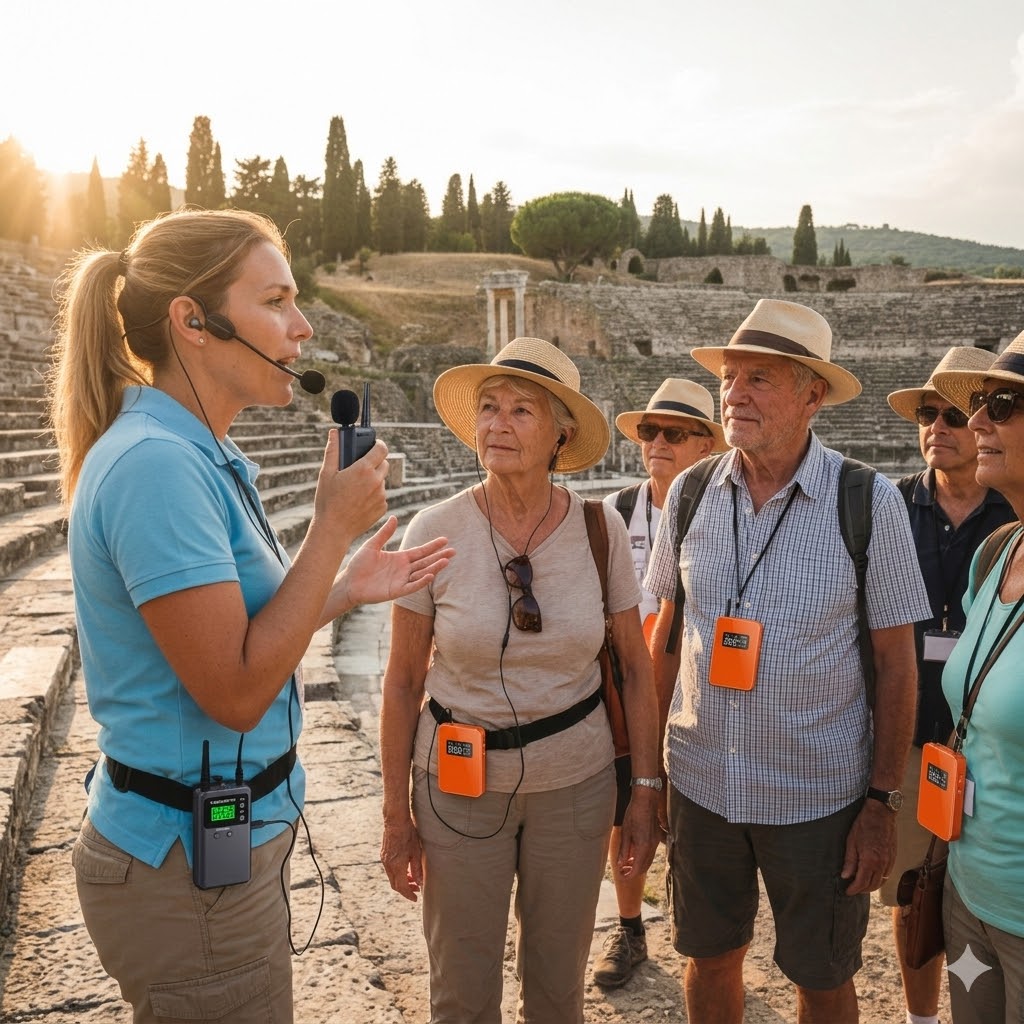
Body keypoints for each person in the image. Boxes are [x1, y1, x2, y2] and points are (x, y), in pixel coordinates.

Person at [48, 207, 453, 1024]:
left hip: (210, 853)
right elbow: (232, 692)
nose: (301, 328)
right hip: (185, 872)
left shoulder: (192, 451)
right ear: (192, 321)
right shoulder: (158, 467)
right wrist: (332, 526)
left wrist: (340, 587)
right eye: (276, 301)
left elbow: (239, 631)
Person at [644, 298, 931, 1024]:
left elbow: (898, 665)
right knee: (707, 959)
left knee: (823, 975)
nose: (735, 392)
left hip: (820, 799)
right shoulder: (690, 492)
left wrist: (880, 804)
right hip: (702, 784)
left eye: (760, 379)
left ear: (813, 394)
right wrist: (645, 781)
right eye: (730, 375)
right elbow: (664, 640)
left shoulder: (868, 502)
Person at [378, 336, 661, 1023]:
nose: (498, 424)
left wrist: (646, 792)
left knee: (557, 989)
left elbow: (633, 665)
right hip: (457, 788)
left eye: (522, 411)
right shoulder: (434, 529)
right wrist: (394, 815)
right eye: (489, 408)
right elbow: (402, 679)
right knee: (461, 989)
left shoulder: (600, 530)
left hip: (576, 787)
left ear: (562, 432)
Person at [882, 346, 1013, 1024]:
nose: (938, 425)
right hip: (911, 736)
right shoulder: (888, 506)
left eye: (955, 413)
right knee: (915, 889)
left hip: (987, 749)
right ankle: (921, 1018)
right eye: (927, 414)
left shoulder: (1007, 522)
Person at [592, 377, 726, 988]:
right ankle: (628, 926)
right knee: (627, 811)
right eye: (650, 431)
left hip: (703, 688)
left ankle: (711, 939)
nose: (657, 443)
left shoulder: (724, 510)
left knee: (696, 820)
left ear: (706, 445)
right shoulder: (617, 513)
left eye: (675, 433)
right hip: (628, 692)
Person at [930, 331, 1024, 1023]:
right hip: (968, 892)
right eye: (982, 402)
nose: (978, 421)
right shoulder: (996, 553)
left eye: (1005, 404)